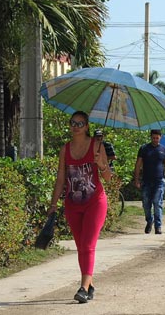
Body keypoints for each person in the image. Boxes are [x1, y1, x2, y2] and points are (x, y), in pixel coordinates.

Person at [49, 111, 112, 303]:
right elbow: (61, 178)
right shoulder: (65, 149)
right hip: (72, 203)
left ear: (87, 126)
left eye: (80, 123)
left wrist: (102, 164)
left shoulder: (97, 145)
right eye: (73, 123)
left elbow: (108, 177)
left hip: (95, 201)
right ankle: (89, 284)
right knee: (80, 247)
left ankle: (83, 287)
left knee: (87, 244)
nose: (75, 126)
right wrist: (53, 203)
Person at [134, 129, 165, 235]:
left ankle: (158, 226)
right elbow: (138, 165)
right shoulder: (144, 149)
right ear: (150, 137)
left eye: (157, 138)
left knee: (157, 202)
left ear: (160, 137)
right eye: (153, 138)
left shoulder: (164, 150)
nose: (155, 140)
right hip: (146, 181)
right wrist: (136, 179)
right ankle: (149, 221)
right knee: (146, 204)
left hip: (159, 181)